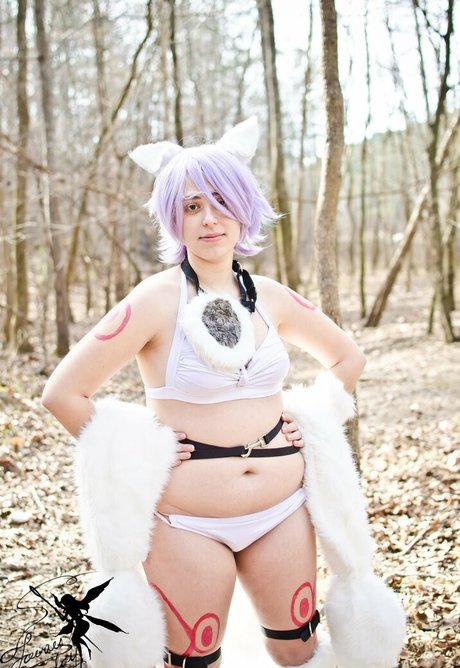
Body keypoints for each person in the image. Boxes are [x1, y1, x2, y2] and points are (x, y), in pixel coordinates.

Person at [42, 117, 369, 668]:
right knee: (194, 661)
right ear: (174, 219)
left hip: (282, 512)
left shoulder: (271, 296)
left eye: (221, 201)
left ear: (244, 208)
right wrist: (141, 452)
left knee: (298, 651)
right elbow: (62, 393)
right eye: (192, 206)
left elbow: (348, 358)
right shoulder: (153, 300)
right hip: (186, 524)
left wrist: (313, 417)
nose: (210, 218)